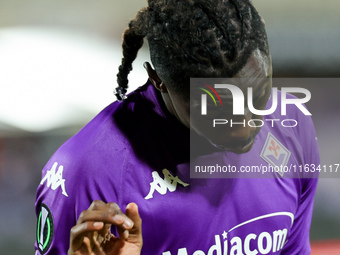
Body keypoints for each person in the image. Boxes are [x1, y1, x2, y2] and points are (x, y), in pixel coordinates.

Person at [35, 0, 320, 254]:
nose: (246, 126)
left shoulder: (291, 128)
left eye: (259, 95)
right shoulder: (88, 173)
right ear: (159, 79)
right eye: (216, 110)